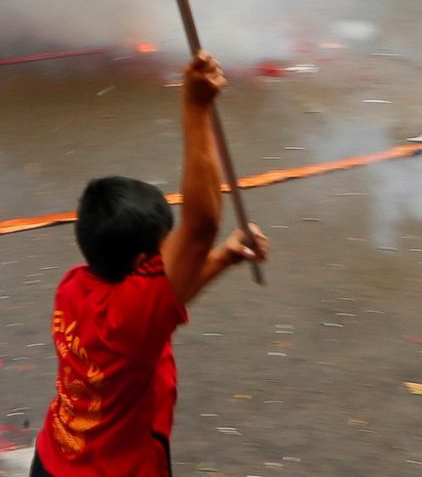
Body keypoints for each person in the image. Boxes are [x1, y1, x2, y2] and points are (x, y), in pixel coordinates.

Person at [31, 52, 268, 477]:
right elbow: (201, 224)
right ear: (144, 262)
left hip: (55, 458)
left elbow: (165, 299)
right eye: (164, 248)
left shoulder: (75, 286)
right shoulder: (126, 320)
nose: (170, 256)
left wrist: (224, 258)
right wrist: (195, 106)